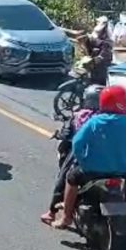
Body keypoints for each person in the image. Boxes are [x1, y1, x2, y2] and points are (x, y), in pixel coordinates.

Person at [56, 85, 126, 228]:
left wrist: (84, 161)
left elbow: (77, 144)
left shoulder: (95, 121)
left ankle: (66, 217)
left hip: (93, 170)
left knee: (71, 178)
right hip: (122, 170)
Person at [40, 85, 103, 226]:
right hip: (112, 160)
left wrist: (58, 135)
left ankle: (53, 213)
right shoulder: (111, 118)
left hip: (85, 156)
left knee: (64, 177)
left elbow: (67, 134)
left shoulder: (80, 116)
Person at [78, 16, 113, 86]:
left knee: (99, 81)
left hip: (102, 63)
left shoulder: (106, 37)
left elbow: (105, 49)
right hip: (94, 61)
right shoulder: (95, 33)